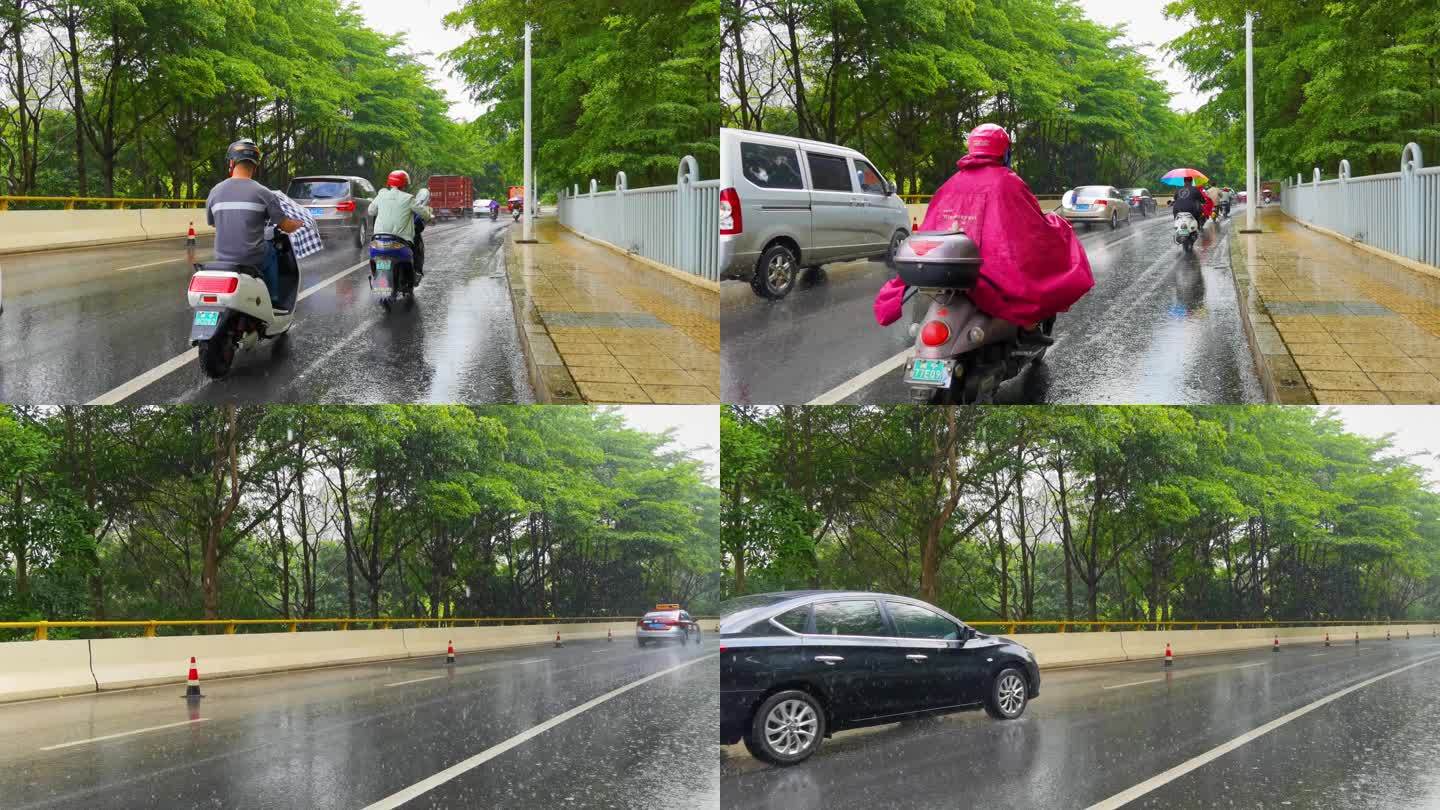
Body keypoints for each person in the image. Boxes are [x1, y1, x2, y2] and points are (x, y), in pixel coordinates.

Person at [873, 123, 1094, 340]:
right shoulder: (1009, 182)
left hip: (947, 267)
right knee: (1035, 283)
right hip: (990, 272)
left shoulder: (950, 184)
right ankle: (1029, 326)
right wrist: (1057, 226)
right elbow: (1032, 229)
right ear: (1004, 152)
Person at [205, 139, 303, 308]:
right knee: (271, 251)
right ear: (255, 167)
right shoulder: (263, 193)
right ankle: (273, 299)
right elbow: (285, 226)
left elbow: (214, 224)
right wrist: (298, 224)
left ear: (231, 163)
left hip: (221, 258)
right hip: (252, 258)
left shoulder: (214, 192)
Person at [369, 170, 433, 279]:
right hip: (401, 242)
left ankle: (379, 278)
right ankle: (415, 272)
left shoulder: (381, 195)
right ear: (405, 184)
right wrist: (429, 216)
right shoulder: (409, 198)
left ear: (389, 183)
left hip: (378, 240)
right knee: (416, 246)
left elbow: (371, 211)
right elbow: (424, 214)